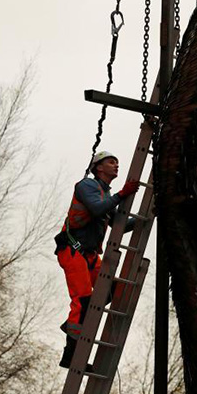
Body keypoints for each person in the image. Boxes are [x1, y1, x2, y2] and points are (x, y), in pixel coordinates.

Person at [55, 150, 139, 369]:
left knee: (114, 289)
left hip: (90, 256)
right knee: (82, 300)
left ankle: (73, 323)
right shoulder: (87, 186)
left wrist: (146, 217)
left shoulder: (104, 193)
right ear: (98, 167)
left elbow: (119, 224)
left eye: (117, 162)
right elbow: (97, 208)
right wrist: (122, 194)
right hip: (73, 251)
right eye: (111, 162)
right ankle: (71, 356)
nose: (116, 165)